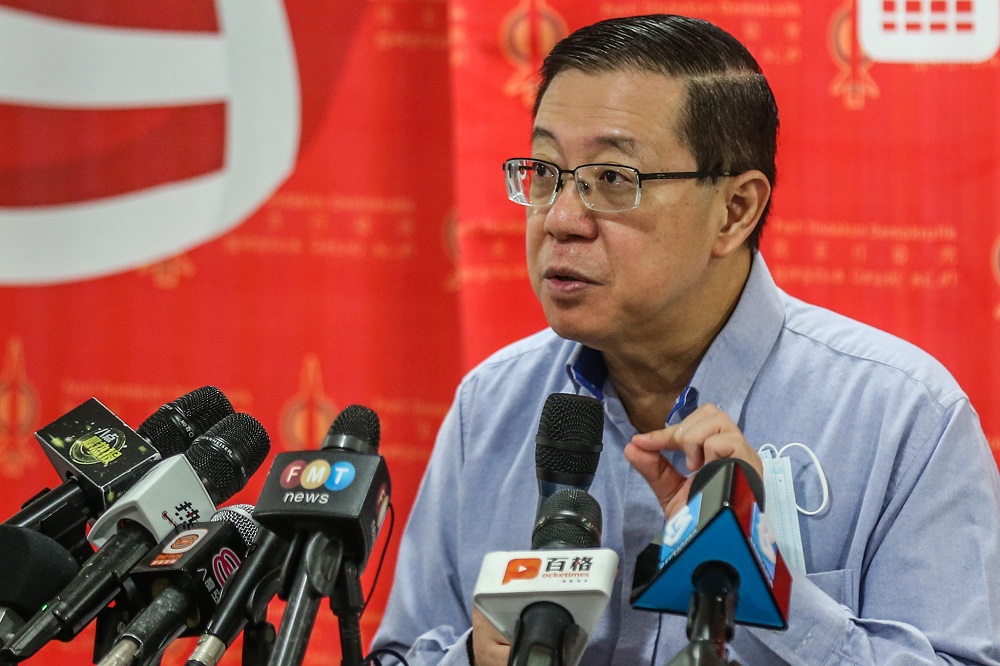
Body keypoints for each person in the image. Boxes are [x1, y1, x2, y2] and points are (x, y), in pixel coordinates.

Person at [371, 13, 1000, 665]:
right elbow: (400, 653)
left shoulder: (901, 417)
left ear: (735, 210)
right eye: (546, 171)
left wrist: (768, 590)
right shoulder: (493, 405)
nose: (559, 219)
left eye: (613, 179)